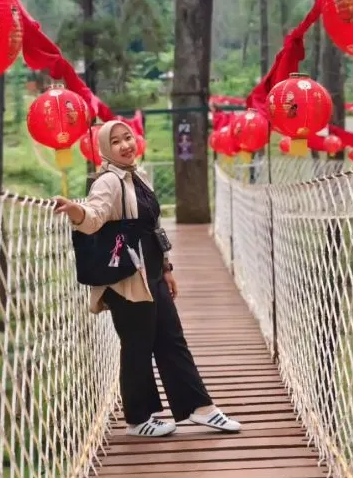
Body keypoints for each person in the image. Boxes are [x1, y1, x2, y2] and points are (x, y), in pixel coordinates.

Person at [54, 120, 241, 438]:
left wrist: (166, 268)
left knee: (172, 339)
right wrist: (75, 210)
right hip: (126, 280)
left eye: (128, 137)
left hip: (151, 273)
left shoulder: (136, 177)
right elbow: (95, 217)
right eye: (116, 142)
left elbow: (152, 227)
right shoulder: (108, 182)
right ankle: (139, 419)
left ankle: (200, 408)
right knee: (138, 346)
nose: (125, 145)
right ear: (105, 149)